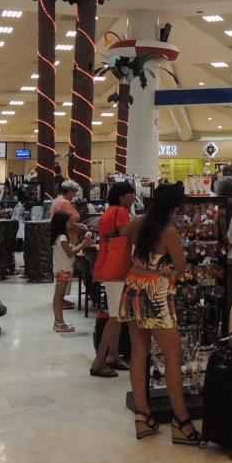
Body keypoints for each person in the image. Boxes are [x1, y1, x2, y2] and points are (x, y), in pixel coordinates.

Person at [119, 182, 201, 445]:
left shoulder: (137, 223)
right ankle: (181, 421)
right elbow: (181, 266)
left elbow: (128, 240)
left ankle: (143, 415)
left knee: (138, 352)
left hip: (133, 286)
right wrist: (170, 270)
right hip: (156, 292)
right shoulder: (169, 232)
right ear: (174, 207)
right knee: (173, 357)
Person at [90, 182, 135, 377]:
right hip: (118, 268)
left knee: (116, 314)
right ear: (122, 196)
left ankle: (113, 356)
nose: (133, 198)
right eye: (131, 194)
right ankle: (98, 362)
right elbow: (126, 234)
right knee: (115, 317)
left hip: (108, 265)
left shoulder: (108, 212)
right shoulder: (122, 212)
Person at [50, 211, 76, 333]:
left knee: (58, 296)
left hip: (61, 269)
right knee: (59, 297)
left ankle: (58, 321)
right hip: (63, 270)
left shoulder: (58, 237)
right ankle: (60, 322)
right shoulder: (63, 238)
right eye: (67, 222)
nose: (69, 224)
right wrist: (83, 244)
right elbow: (70, 253)